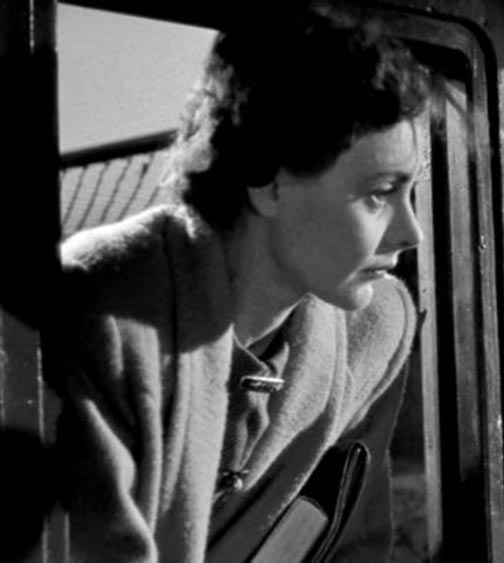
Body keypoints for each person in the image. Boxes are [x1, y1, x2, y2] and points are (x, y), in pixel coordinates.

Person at [48, 5, 432, 562]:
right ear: (269, 181)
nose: (411, 232)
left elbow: (350, 546)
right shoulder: (106, 313)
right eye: (379, 193)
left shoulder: (376, 327)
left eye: (411, 190)